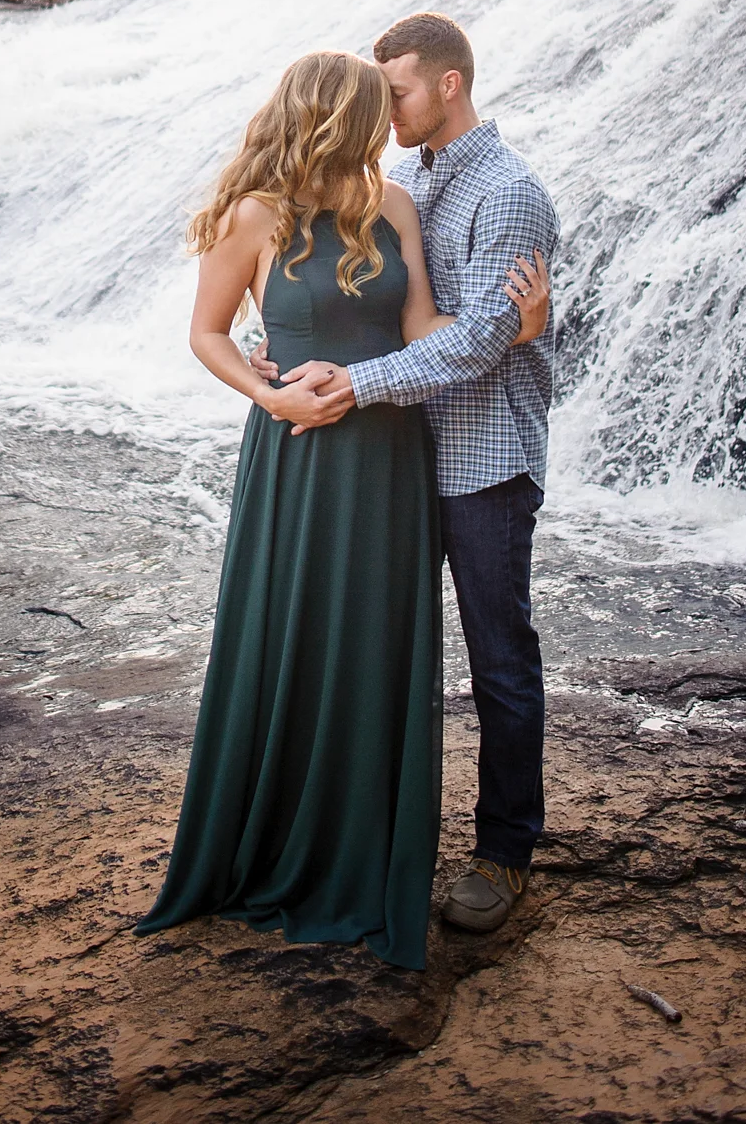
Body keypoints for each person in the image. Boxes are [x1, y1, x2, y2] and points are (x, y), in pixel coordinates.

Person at [136, 49, 549, 971]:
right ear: (336, 114)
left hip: (391, 456)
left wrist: (513, 325)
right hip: (299, 452)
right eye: (375, 103)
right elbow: (205, 331)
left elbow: (419, 333)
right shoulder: (254, 214)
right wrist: (267, 393)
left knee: (372, 648)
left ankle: (373, 845)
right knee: (297, 637)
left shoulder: (390, 203)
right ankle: (279, 834)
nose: (386, 118)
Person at [274, 13, 558, 936]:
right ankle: (368, 835)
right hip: (396, 459)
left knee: (498, 661)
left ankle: (505, 853)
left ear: (447, 84)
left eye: (392, 91)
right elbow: (378, 303)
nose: (378, 107)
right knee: (381, 655)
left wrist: (351, 384)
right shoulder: (401, 181)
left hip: (480, 461)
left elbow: (479, 340)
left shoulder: (507, 191)